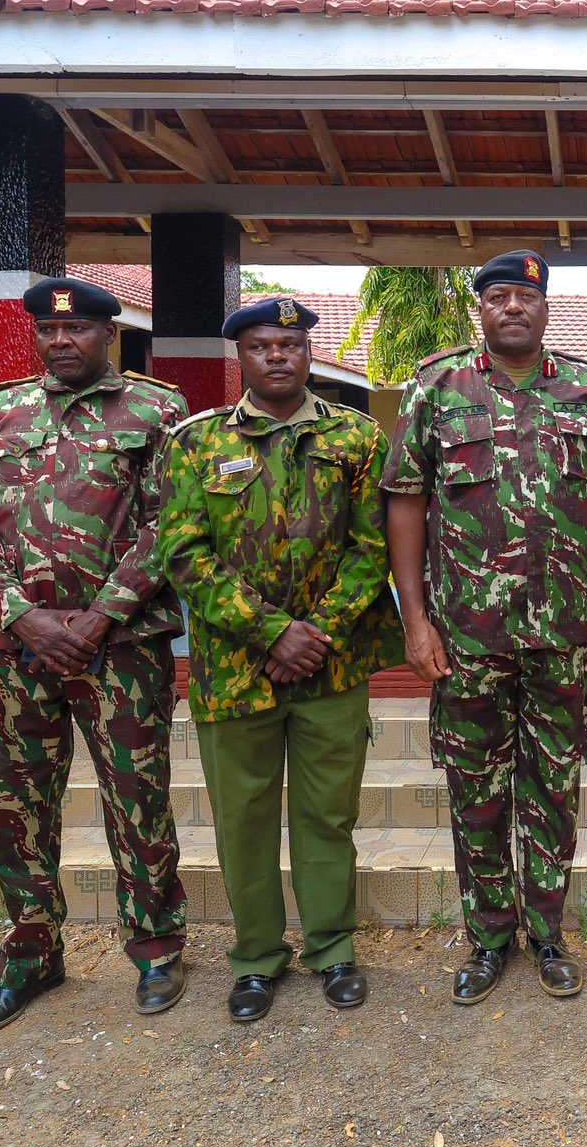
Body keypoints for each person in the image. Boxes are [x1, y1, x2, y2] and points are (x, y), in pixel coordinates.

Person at [382, 249, 587, 1005]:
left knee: (553, 790)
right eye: (498, 297)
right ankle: (490, 937)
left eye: (526, 296)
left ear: (546, 308)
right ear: (480, 311)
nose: (512, 308)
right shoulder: (436, 387)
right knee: (477, 791)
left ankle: (549, 933)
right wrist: (415, 619)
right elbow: (405, 501)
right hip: (467, 638)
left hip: (562, 633)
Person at [0, 276, 190, 1036]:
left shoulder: (157, 410)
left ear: (108, 334)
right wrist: (22, 616)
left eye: (79, 329)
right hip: (17, 652)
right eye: (49, 332)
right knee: (17, 808)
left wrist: (98, 617)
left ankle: (154, 947)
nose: (61, 342)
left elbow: (170, 524)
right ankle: (31, 956)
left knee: (137, 799)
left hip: (121, 649)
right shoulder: (3, 409)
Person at [158, 296, 403, 1024]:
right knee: (244, 821)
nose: (276, 357)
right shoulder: (195, 443)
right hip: (234, 670)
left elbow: (373, 547)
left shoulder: (357, 438)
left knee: (328, 816)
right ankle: (257, 960)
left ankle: (332, 950)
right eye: (261, 345)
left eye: (290, 346)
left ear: (308, 355)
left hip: (331, 668)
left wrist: (314, 633)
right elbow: (183, 552)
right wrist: (270, 633)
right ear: (241, 355)